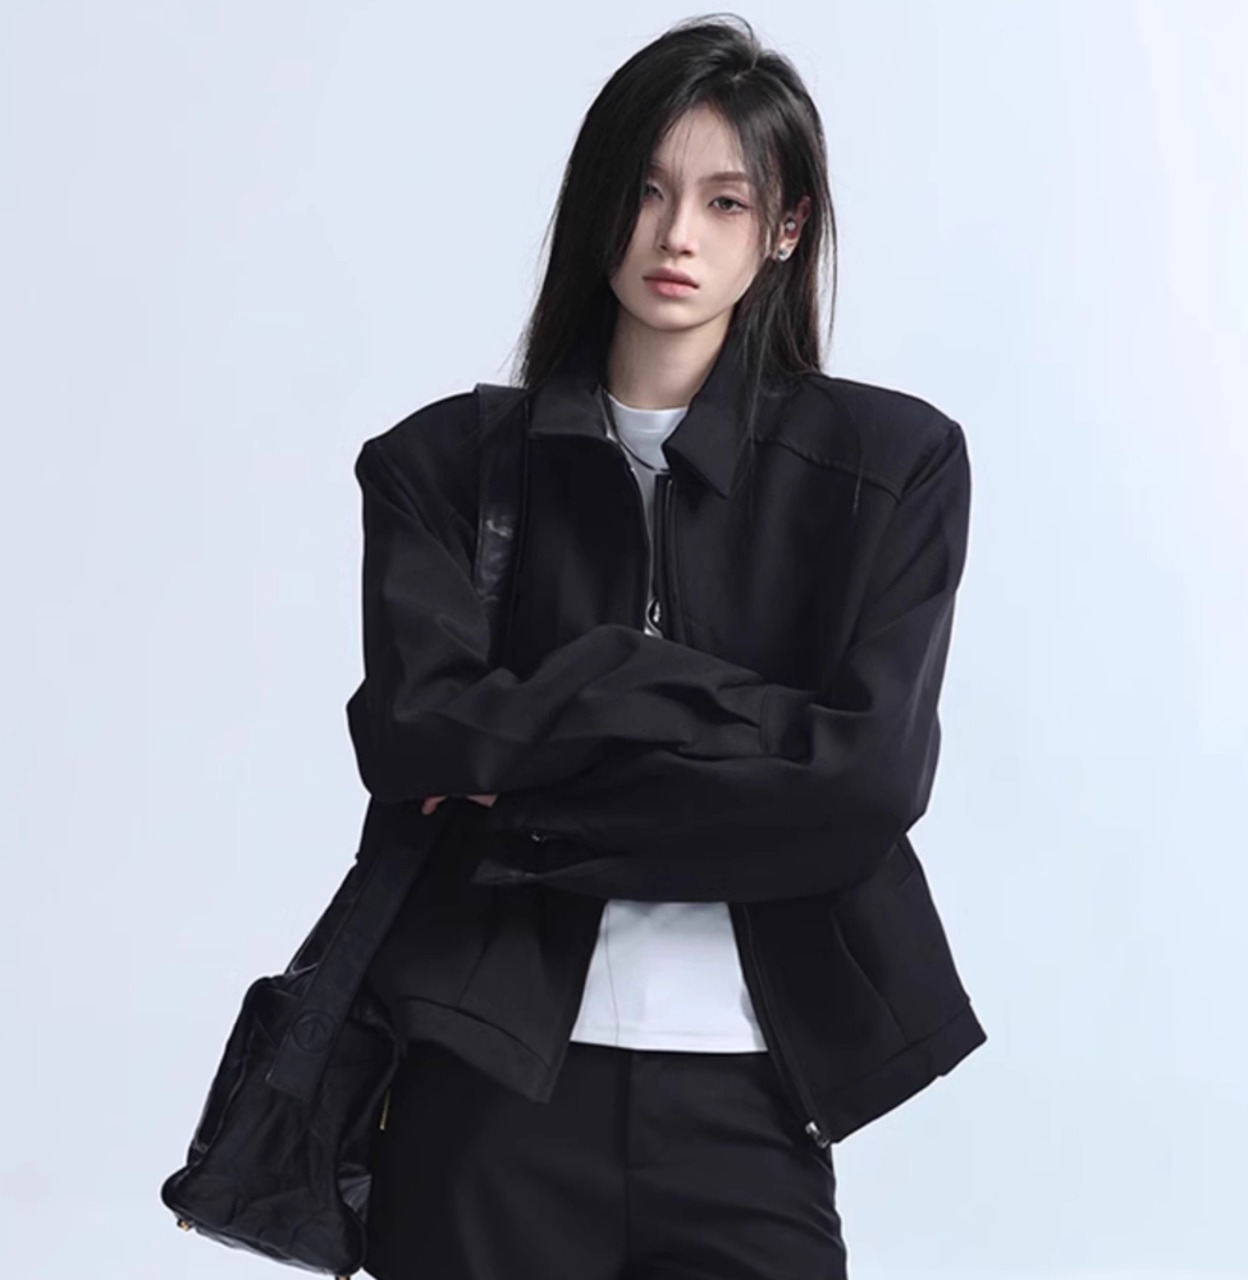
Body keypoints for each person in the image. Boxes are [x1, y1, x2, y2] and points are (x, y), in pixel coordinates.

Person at [347, 14, 986, 1280]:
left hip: (747, 1100)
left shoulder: (890, 467)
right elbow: (415, 735)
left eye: (723, 199)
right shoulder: (438, 466)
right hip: (480, 1092)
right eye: (644, 191)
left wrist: (557, 748)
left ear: (783, 228)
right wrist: (742, 739)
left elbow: (866, 781)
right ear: (597, 205)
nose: (675, 234)